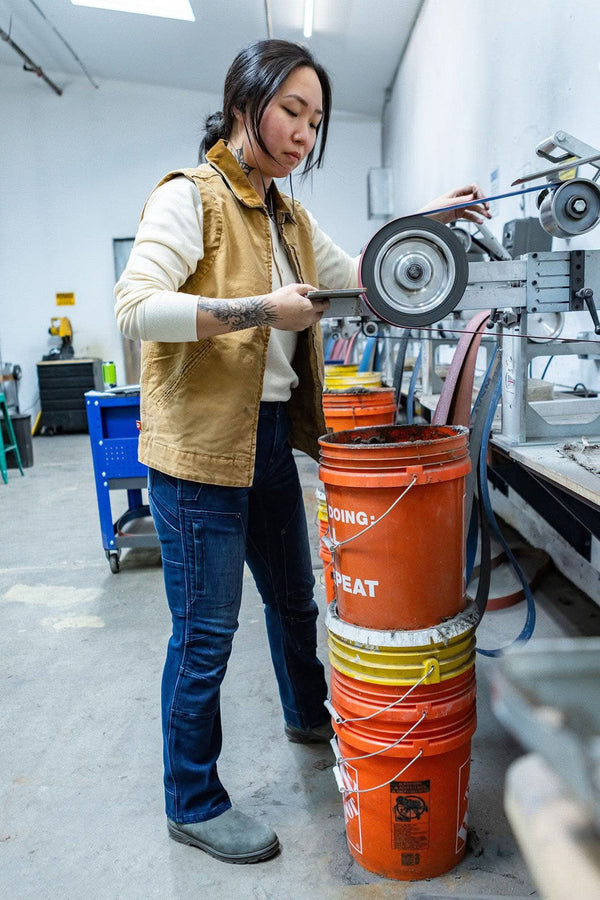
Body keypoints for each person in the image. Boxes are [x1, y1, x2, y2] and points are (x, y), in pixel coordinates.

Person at [114, 38, 490, 866]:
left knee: (294, 601)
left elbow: (358, 278)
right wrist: (259, 310)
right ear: (245, 99)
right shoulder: (193, 197)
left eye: (316, 121)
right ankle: (193, 799)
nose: (304, 135)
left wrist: (421, 226)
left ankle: (308, 717)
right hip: (197, 454)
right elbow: (137, 307)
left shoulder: (288, 214)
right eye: (292, 110)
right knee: (207, 634)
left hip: (270, 440)